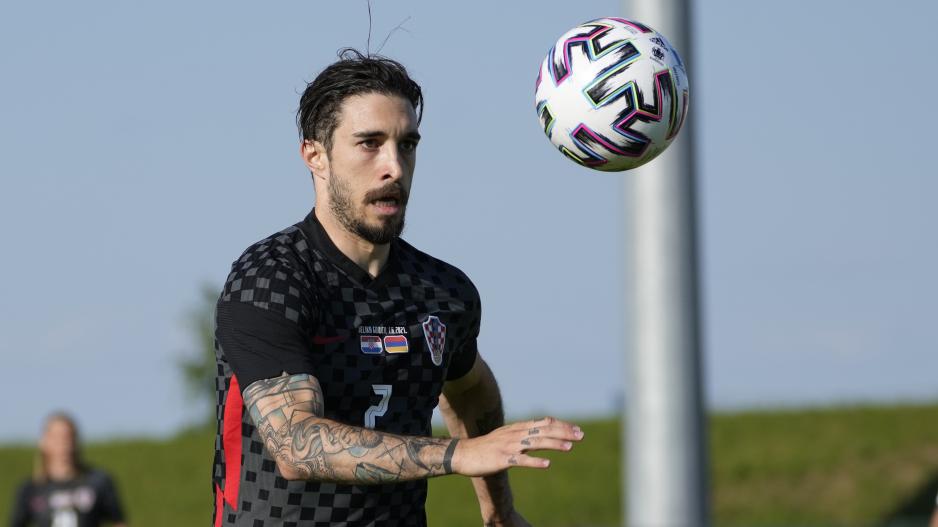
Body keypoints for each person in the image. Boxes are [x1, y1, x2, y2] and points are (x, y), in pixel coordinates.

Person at [211, 48, 584, 526]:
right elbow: (295, 445)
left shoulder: (443, 292)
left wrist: (500, 510)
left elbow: (469, 390)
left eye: (407, 144)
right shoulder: (270, 278)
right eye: (369, 143)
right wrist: (458, 454)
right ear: (315, 156)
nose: (395, 166)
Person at [9, 412, 127, 527]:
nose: (64, 444)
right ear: (44, 442)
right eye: (56, 438)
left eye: (68, 437)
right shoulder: (31, 489)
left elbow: (119, 522)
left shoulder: (98, 481)